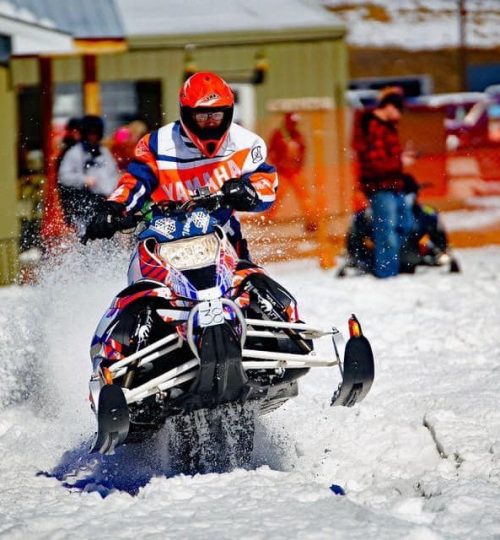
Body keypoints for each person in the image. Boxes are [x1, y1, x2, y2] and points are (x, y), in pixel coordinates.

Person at [352, 87, 416, 278]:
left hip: (394, 185)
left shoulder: (386, 126)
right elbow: (374, 162)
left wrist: (399, 158)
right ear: (388, 107)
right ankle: (386, 272)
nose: (399, 116)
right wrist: (401, 161)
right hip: (380, 187)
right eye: (398, 111)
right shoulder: (373, 126)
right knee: (386, 231)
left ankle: (393, 264)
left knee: (406, 224)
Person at [58, 115, 119, 230]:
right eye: (90, 134)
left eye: (95, 134)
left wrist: (113, 191)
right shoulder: (74, 153)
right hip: (83, 200)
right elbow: (64, 176)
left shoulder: (105, 153)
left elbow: (113, 174)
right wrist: (83, 179)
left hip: (104, 200)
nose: (93, 137)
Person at [267, 112, 315, 231]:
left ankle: (311, 221)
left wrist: (299, 165)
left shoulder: (298, 136)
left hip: (295, 172)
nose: (294, 125)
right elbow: (271, 151)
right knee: (275, 197)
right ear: (287, 122)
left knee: (305, 196)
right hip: (282, 172)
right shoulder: (278, 135)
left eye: (295, 123)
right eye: (292, 123)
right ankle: (266, 220)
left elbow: (303, 151)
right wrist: (277, 164)